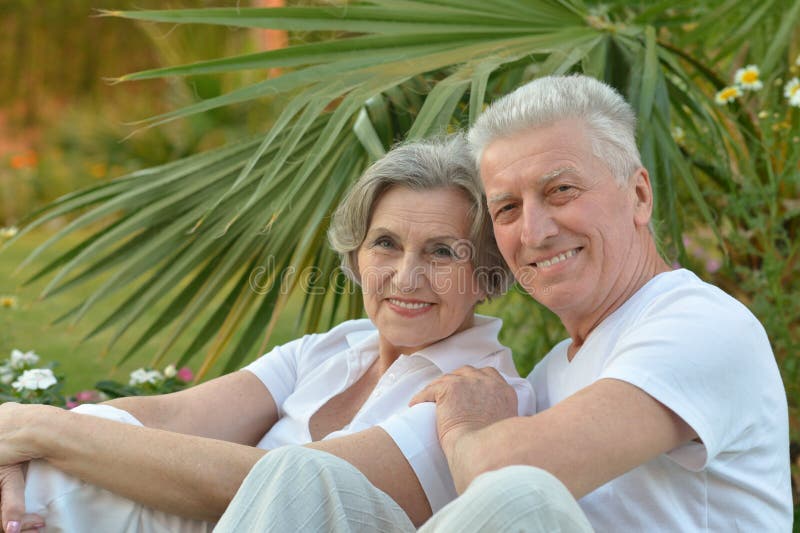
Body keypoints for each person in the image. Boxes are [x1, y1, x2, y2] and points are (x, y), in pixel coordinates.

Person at [215, 75, 792, 532]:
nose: (535, 231)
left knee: (524, 492)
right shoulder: (552, 374)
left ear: (638, 194)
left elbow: (509, 480)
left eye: (560, 190)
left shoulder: (698, 324)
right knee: (305, 475)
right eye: (508, 208)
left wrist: (465, 427)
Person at [0, 136, 534, 533]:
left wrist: (40, 427)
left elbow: (280, 491)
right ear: (356, 253)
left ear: (488, 273)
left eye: (442, 251)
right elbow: (172, 417)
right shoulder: (331, 350)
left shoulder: (479, 396)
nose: (404, 276)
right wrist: (22, 444)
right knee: (92, 428)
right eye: (386, 244)